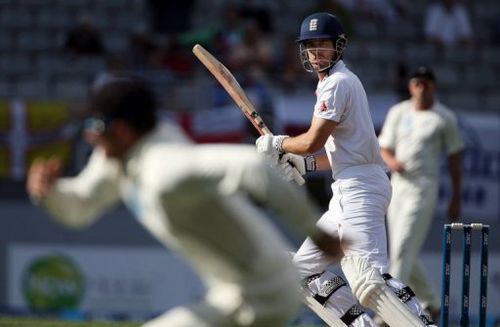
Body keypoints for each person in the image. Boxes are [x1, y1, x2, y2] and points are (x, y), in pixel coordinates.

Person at [26, 79, 346, 327]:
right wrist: (49, 194)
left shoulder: (163, 167)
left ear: (123, 130)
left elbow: (255, 166)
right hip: (229, 292)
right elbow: (80, 208)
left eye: (97, 129)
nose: (91, 139)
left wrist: (315, 232)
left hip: (264, 292)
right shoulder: (115, 158)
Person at [256, 12, 436, 326]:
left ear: (339, 45)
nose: (315, 52)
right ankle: (360, 324)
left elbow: (312, 140)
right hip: (347, 189)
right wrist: (305, 163)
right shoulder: (335, 83)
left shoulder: (337, 83)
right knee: (302, 274)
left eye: (322, 44)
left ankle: (421, 323)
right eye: (310, 45)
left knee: (371, 279)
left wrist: (279, 144)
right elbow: (332, 153)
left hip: (361, 189)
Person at [378, 66, 464, 320]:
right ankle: (431, 301)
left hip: (424, 187)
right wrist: (391, 161)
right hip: (398, 185)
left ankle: (388, 313)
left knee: (403, 245)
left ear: (433, 86)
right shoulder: (398, 111)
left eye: (426, 83)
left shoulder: (443, 117)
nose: (422, 87)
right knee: (401, 249)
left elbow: (455, 159)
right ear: (411, 86)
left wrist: (456, 197)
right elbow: (384, 146)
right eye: (417, 82)